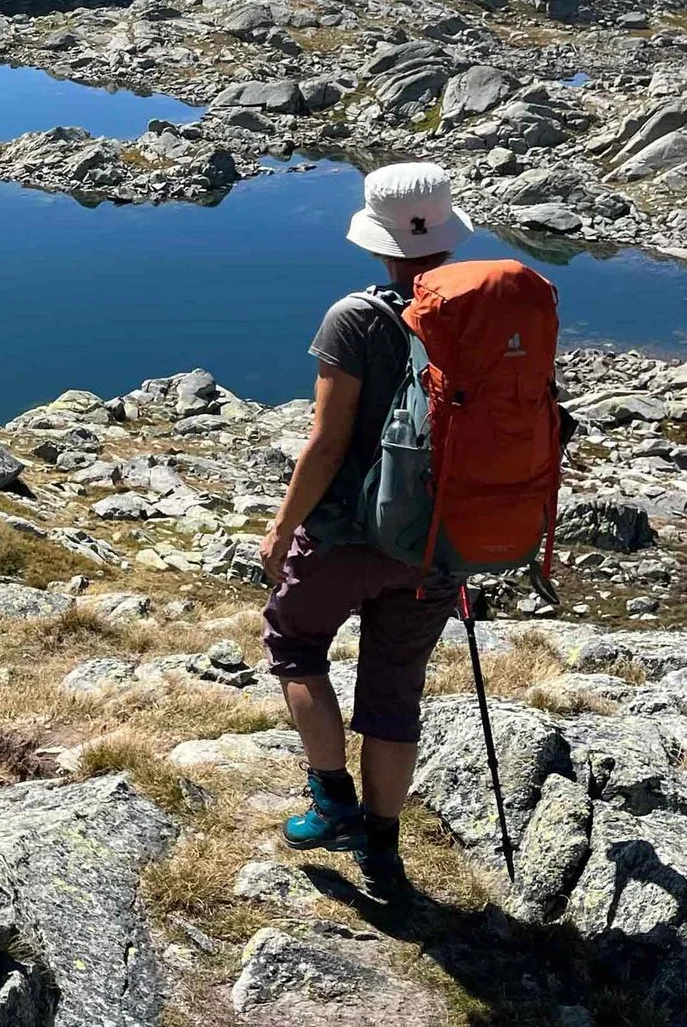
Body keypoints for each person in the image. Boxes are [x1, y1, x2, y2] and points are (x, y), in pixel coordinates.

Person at [256, 161, 473, 893]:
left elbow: (326, 441)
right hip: (438, 544)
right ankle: (384, 851)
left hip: (348, 533)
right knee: (394, 690)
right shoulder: (484, 314)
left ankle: (332, 800)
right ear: (445, 236)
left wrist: (284, 528)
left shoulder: (355, 316)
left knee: (295, 641)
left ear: (380, 241)